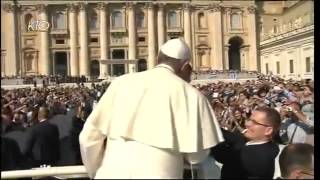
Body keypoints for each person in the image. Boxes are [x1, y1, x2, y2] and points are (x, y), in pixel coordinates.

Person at [79, 38, 224, 179]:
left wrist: (97, 172)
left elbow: (87, 138)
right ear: (185, 66)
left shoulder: (121, 83)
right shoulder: (191, 95)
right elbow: (195, 156)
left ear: (157, 60)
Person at [210, 107, 281, 179]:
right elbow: (233, 137)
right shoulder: (253, 141)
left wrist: (207, 129)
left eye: (254, 122)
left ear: (268, 130)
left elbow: (220, 154)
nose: (247, 124)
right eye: (249, 119)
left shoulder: (258, 157)